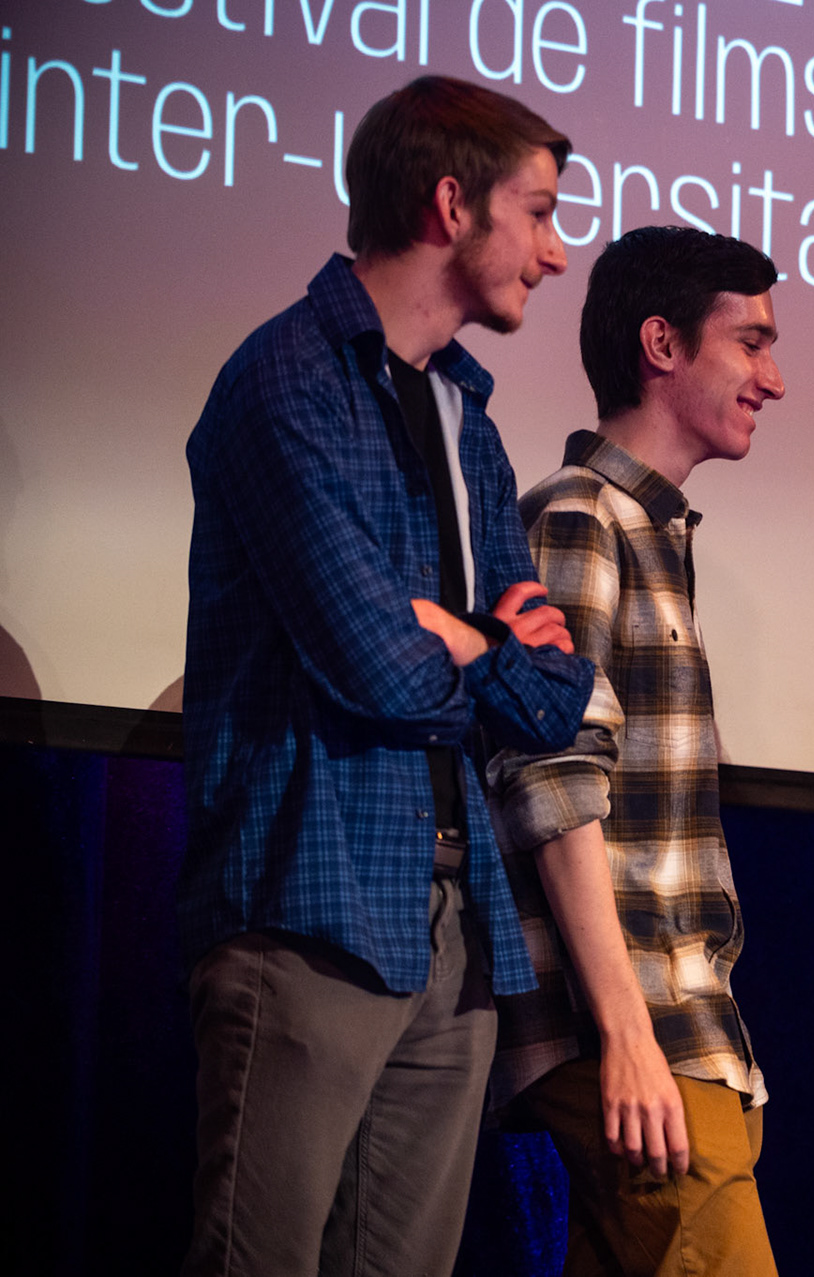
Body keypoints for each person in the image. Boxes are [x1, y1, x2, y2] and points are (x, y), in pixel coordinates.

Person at [177, 76, 595, 1276]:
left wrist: (461, 635)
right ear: (451, 205)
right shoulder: (287, 382)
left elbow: (553, 694)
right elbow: (376, 667)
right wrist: (484, 640)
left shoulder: (467, 415)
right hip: (312, 912)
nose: (557, 251)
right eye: (538, 213)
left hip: (454, 926)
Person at [485, 225, 786, 1276]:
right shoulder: (579, 516)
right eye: (752, 343)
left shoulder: (655, 531)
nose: (774, 379)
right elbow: (551, 777)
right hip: (630, 1025)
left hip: (686, 1026)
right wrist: (625, 1032)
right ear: (662, 344)